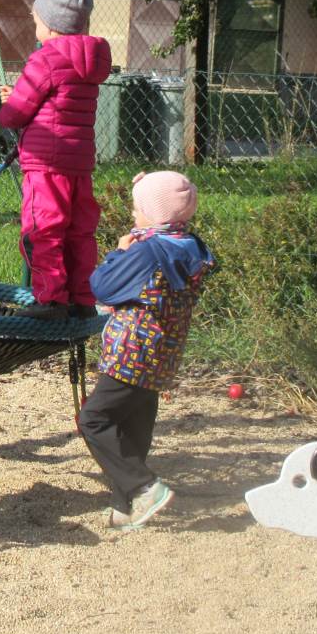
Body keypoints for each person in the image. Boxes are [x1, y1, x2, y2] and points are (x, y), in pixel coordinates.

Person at [79, 170, 215, 530]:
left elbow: (102, 287)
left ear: (154, 214)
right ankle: (125, 506)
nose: (133, 214)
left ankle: (144, 488)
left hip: (131, 352)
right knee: (133, 426)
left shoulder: (147, 252)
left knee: (93, 420)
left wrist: (118, 254)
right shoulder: (189, 246)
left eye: (138, 208)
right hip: (163, 353)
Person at [0, 0, 112, 312]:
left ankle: (50, 298)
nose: (36, 28)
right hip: (78, 162)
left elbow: (16, 114)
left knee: (43, 229)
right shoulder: (91, 60)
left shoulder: (46, 58)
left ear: (51, 25)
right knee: (79, 231)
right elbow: (59, 98)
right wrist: (20, 95)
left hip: (46, 162)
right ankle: (82, 298)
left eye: (36, 22)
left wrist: (7, 107)